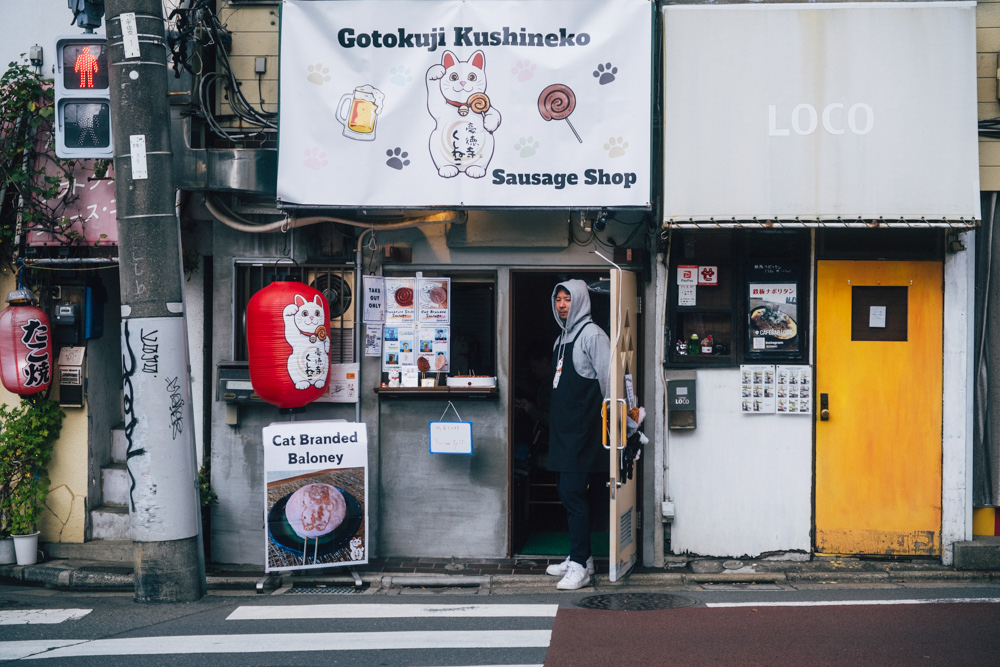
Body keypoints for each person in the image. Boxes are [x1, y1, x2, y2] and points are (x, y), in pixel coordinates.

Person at [545, 279, 610, 590]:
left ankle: (581, 566)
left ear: (581, 301)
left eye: (567, 299)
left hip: (584, 430)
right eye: (558, 299)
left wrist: (619, 424)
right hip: (563, 430)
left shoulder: (592, 335)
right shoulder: (561, 339)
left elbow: (609, 382)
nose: (562, 305)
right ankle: (580, 556)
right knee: (566, 493)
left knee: (574, 495)